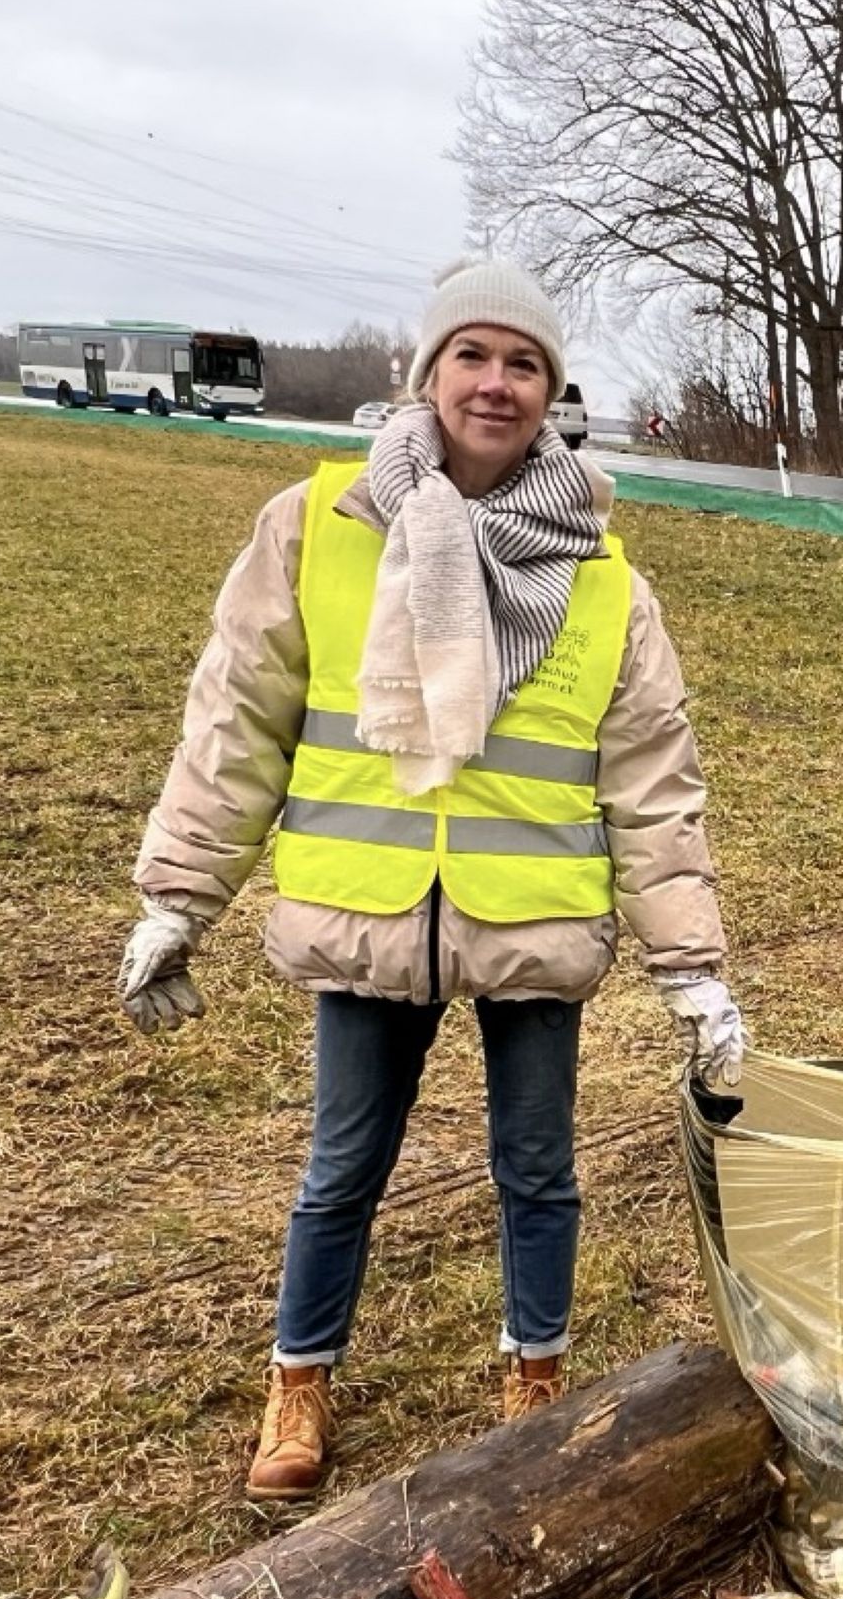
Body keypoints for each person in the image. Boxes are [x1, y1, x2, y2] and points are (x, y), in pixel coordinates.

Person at [118, 259, 746, 1501]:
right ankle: (300, 1381)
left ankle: (537, 1380)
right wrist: (178, 897)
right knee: (342, 1164)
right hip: (366, 914)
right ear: (426, 372)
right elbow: (236, 723)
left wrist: (698, 973)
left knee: (539, 1169)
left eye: (525, 363)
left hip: (531, 920)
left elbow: (653, 786)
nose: (496, 383)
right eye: (474, 355)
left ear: (553, 390)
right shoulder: (319, 527)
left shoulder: (604, 576)